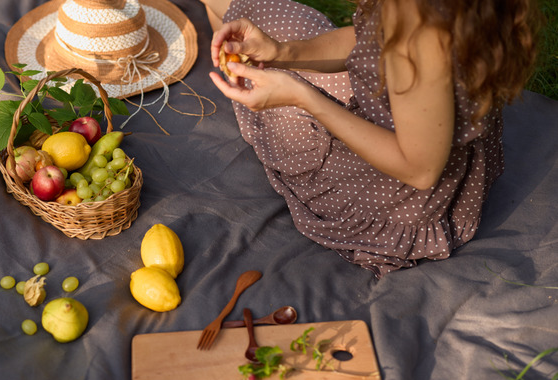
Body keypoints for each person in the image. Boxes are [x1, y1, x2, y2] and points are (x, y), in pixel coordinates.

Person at [202, 0, 540, 277]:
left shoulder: (419, 32)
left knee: (246, 38)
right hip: (414, 125)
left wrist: (303, 97)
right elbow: (369, 40)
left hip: (394, 197)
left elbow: (420, 170)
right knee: (246, 14)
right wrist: (282, 50)